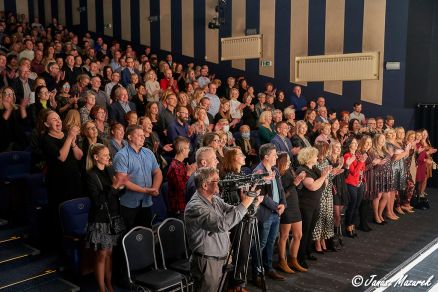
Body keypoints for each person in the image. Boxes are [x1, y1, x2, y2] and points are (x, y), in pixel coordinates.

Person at [184, 167, 259, 292]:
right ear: (205, 185)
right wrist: (244, 204)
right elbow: (221, 225)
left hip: (221, 260)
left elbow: (235, 211)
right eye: (216, 180)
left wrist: (251, 204)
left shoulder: (215, 199)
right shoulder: (195, 207)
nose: (220, 183)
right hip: (207, 263)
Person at [86, 143, 126, 292]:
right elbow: (98, 201)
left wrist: (122, 186)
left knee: (110, 253)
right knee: (102, 254)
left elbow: (117, 194)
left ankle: (109, 284)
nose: (109, 157)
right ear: (96, 157)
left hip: (114, 217)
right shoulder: (90, 175)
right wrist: (114, 187)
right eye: (105, 155)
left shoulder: (110, 170)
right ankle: (101, 288)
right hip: (100, 220)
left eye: (108, 154)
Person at [113, 125, 163, 229]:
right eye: (139, 135)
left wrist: (155, 187)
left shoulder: (148, 152)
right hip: (129, 204)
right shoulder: (121, 155)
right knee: (130, 236)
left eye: (143, 135)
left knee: (146, 233)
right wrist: (146, 190)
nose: (143, 137)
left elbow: (157, 172)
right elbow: (123, 181)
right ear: (129, 137)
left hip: (146, 202)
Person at [252, 143, 287, 284]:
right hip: (265, 213)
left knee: (271, 243)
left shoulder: (275, 170)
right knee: (261, 244)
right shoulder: (258, 172)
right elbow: (261, 195)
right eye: (274, 155)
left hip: (276, 212)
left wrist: (283, 204)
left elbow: (281, 189)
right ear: (266, 156)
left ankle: (269, 268)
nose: (276, 157)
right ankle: (257, 274)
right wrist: (276, 207)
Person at [296, 147, 331, 269]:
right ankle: (300, 257)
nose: (317, 158)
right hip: (305, 205)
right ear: (309, 157)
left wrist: (324, 176)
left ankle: (307, 252)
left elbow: (324, 184)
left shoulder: (315, 169)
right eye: (315, 156)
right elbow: (312, 186)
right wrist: (323, 177)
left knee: (310, 230)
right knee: (304, 231)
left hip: (315, 203)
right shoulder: (302, 170)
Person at [275, 152, 307, 273]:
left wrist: (299, 180)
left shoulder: (290, 170)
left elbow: (296, 187)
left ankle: (293, 260)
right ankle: (282, 261)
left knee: (298, 235)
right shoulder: (279, 174)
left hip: (295, 204)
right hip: (286, 206)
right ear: (281, 162)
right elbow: (283, 195)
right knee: (284, 236)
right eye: (287, 160)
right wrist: (295, 183)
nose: (289, 162)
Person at [167, 136, 197, 218]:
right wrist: (189, 173)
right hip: (179, 209)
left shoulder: (180, 164)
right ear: (183, 150)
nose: (189, 150)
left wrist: (188, 171)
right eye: (188, 148)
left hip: (184, 205)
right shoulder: (175, 167)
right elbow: (181, 188)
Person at [343, 138, 366, 237]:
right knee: (352, 206)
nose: (356, 145)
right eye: (353, 143)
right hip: (350, 183)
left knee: (357, 205)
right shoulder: (347, 156)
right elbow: (354, 172)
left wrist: (361, 161)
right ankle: (348, 226)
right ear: (349, 145)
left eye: (356, 143)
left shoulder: (358, 155)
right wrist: (361, 162)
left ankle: (352, 225)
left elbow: (362, 170)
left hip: (359, 183)